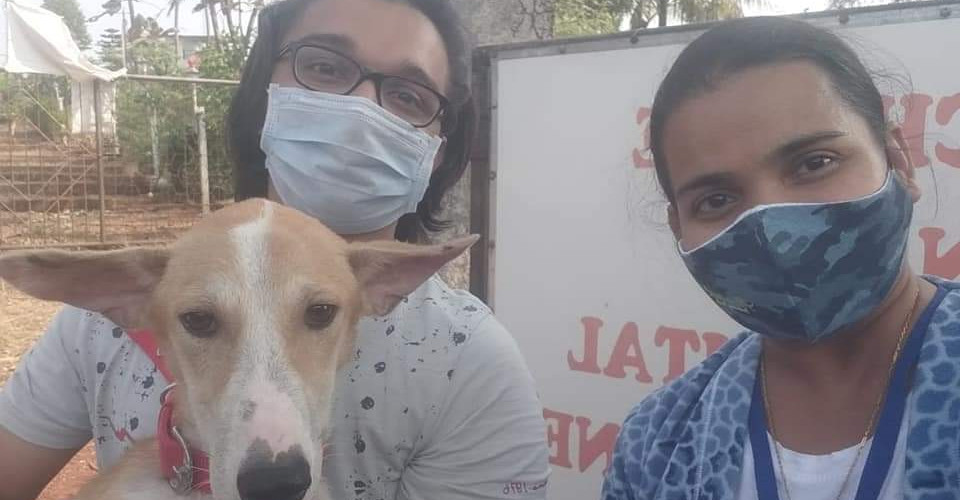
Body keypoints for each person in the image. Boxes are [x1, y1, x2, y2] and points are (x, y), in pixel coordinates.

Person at [0, 1, 551, 499]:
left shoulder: (468, 360)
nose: (361, 109)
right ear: (265, 91)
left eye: (407, 95)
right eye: (326, 67)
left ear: (436, 149)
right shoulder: (99, 323)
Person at [602, 16, 960, 500]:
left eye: (815, 163)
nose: (773, 228)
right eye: (716, 199)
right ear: (679, 230)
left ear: (898, 160)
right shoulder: (655, 444)